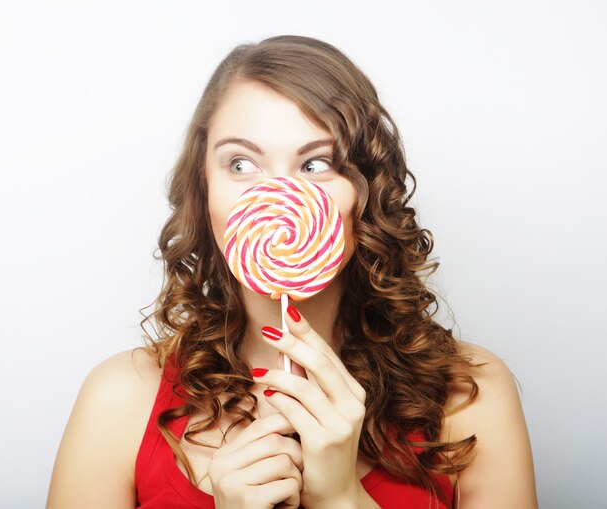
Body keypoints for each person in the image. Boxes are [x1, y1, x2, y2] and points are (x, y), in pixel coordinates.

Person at [46, 35, 538, 509]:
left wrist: (342, 500)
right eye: (241, 164)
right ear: (205, 189)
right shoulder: (118, 401)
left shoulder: (470, 397)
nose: (278, 195)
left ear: (365, 192)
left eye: (316, 164)